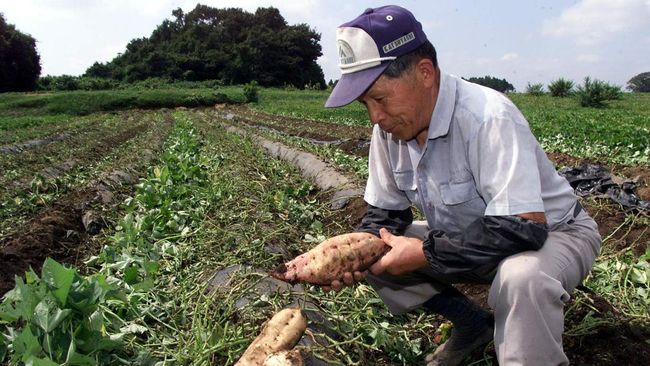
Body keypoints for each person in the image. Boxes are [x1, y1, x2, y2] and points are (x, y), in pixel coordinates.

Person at [323, 5, 602, 366]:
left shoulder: (487, 116)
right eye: (366, 105)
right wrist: (350, 255)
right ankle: (473, 325)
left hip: (553, 234)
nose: (375, 117)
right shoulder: (389, 131)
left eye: (380, 99)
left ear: (424, 73)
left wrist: (425, 252)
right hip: (469, 238)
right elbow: (385, 214)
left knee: (521, 278)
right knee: (375, 247)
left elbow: (523, 228)